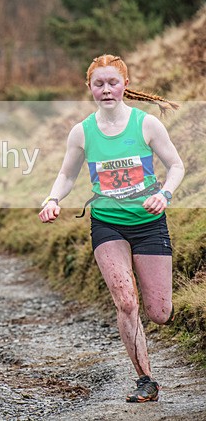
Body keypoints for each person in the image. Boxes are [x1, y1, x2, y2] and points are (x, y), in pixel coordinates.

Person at [38, 54, 184, 403]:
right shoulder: (82, 132)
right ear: (89, 88)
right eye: (98, 84)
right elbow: (67, 174)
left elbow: (176, 165)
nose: (106, 90)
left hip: (149, 223)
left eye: (112, 82)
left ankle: (166, 314)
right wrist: (52, 199)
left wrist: (164, 194)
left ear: (125, 85)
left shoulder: (146, 125)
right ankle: (146, 380)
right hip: (107, 224)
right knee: (126, 302)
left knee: (159, 313)